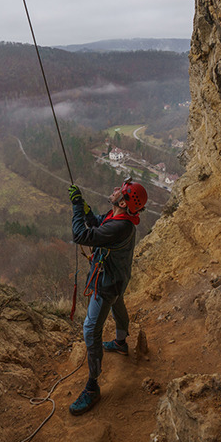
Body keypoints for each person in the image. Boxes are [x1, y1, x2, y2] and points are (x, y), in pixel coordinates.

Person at [66, 178, 148, 416]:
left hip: (107, 284)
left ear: (123, 202)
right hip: (118, 279)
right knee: (117, 304)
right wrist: (84, 208)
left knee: (91, 329)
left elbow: (80, 235)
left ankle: (92, 387)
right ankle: (121, 343)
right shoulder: (120, 219)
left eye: (118, 191)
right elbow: (96, 222)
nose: (114, 190)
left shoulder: (119, 226)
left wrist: (75, 209)